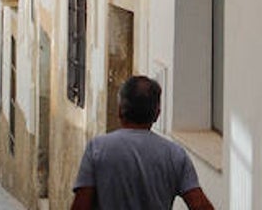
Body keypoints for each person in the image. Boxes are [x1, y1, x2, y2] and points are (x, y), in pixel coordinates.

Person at [71, 76, 214, 210]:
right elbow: (200, 206)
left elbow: (81, 205)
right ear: (157, 114)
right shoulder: (175, 155)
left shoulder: (97, 149)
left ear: (120, 111)